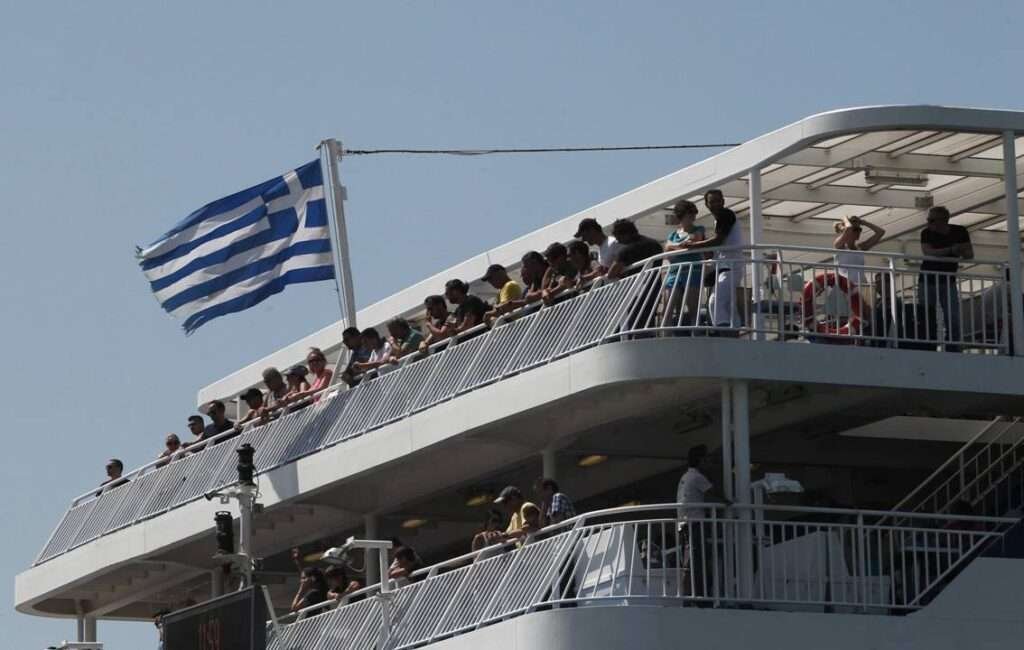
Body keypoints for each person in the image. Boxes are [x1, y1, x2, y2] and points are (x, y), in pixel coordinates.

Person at [673, 189, 746, 330]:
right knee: (726, 304)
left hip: (731, 266)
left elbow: (719, 240)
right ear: (706, 204)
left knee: (715, 302)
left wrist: (693, 246)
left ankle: (725, 334)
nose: (715, 204)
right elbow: (719, 242)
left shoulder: (726, 214)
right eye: (712, 202)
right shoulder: (719, 219)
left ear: (723, 201)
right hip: (725, 265)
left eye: (718, 201)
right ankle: (732, 331)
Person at [919, 206, 973, 351]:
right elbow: (928, 252)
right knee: (926, 315)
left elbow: (969, 254)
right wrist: (952, 250)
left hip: (948, 281)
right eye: (928, 220)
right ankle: (928, 346)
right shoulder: (926, 233)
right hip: (927, 280)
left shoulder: (960, 231)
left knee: (953, 317)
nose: (928, 223)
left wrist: (944, 252)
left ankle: (953, 348)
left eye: (931, 220)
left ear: (943, 221)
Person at [676, 445, 727, 598]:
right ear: (700, 460)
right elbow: (713, 492)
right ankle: (693, 596)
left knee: (692, 560)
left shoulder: (685, 477)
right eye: (706, 459)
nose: (708, 462)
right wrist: (729, 501)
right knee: (695, 560)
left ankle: (692, 595)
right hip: (694, 523)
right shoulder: (697, 477)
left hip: (684, 523)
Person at [833, 215, 885, 286]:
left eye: (859, 229)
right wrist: (845, 218)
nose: (858, 232)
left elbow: (881, 232)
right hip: (844, 287)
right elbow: (849, 228)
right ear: (845, 231)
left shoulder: (860, 247)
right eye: (855, 229)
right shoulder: (839, 246)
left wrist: (863, 222)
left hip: (861, 285)